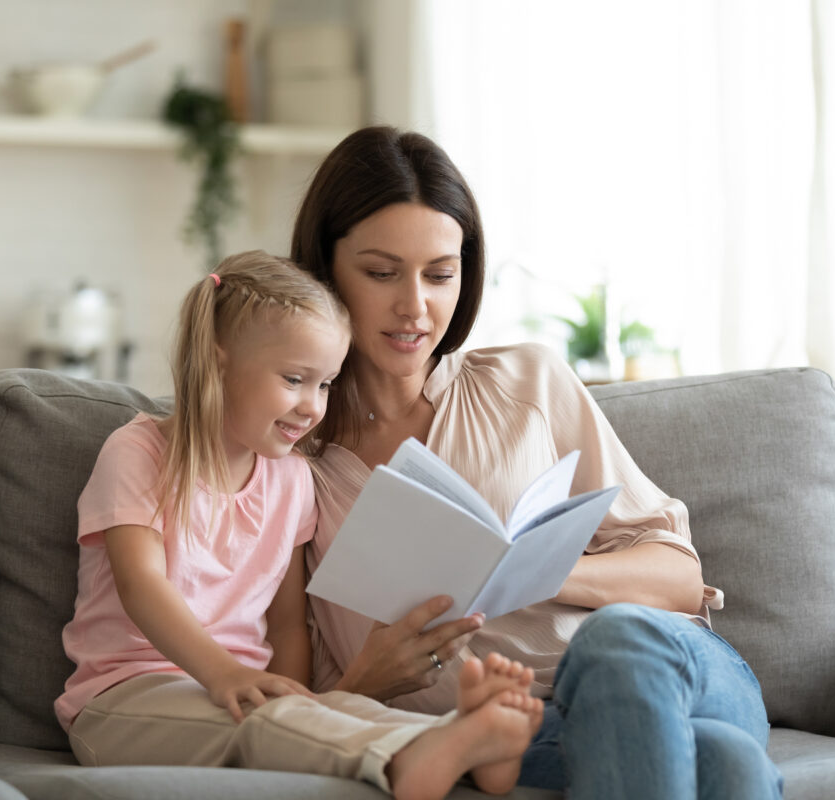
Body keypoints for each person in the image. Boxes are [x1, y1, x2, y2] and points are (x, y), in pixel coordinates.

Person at [291, 127, 784, 799]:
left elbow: (677, 576)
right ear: (326, 268)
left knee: (615, 642)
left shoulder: (526, 382)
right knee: (726, 765)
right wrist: (366, 681)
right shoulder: (291, 460)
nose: (416, 306)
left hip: (669, 669)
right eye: (381, 273)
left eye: (441, 274)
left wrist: (540, 571)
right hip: (511, 733)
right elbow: (289, 702)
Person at [53, 250, 544, 799]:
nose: (313, 407)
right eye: (294, 379)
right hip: (125, 700)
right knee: (264, 724)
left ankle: (465, 745)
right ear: (219, 365)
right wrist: (225, 674)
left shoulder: (291, 480)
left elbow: (287, 626)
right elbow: (140, 584)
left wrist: (298, 693)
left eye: (327, 385)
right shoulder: (139, 452)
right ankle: (416, 757)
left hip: (241, 693)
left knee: (333, 712)